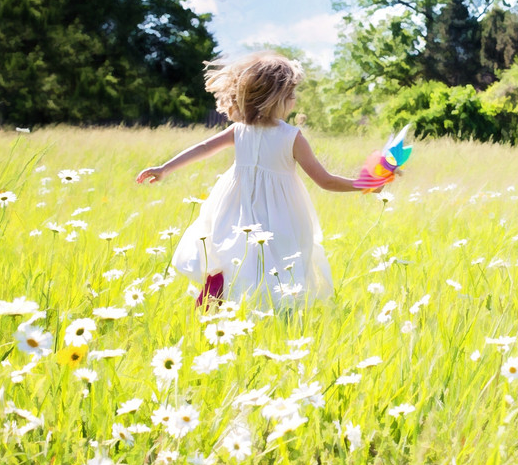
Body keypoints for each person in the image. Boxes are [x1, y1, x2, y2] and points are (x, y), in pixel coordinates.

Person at [136, 51, 366, 307]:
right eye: (290, 95)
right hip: (278, 212)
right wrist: (364, 184)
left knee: (232, 252)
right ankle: (265, 312)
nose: (294, 100)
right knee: (275, 262)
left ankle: (218, 304)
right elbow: (325, 180)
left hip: (235, 204)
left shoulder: (240, 130)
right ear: (274, 99)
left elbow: (203, 148)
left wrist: (165, 168)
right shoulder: (291, 136)